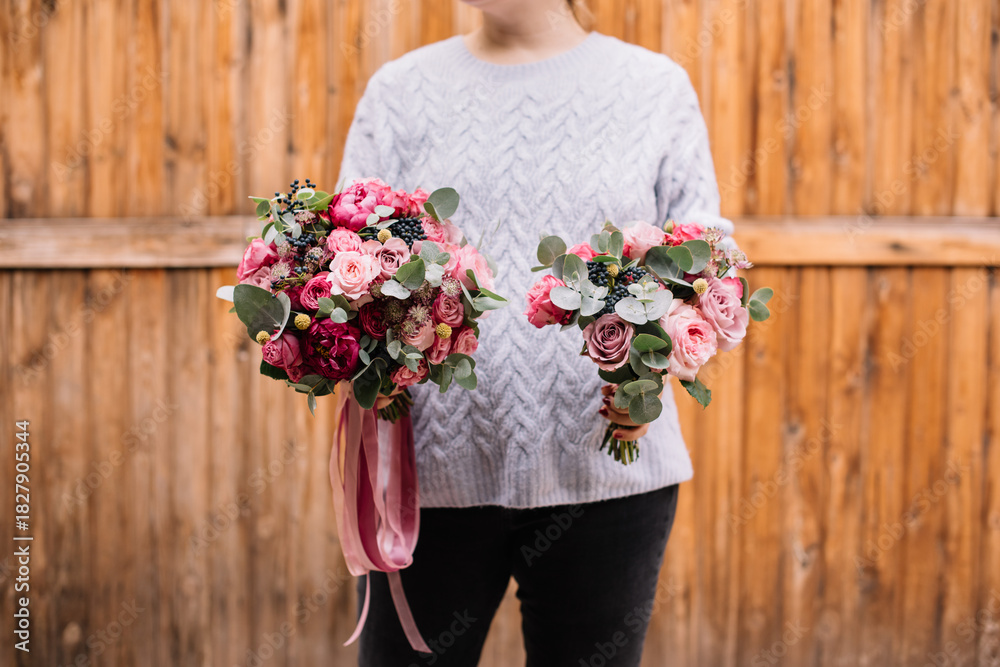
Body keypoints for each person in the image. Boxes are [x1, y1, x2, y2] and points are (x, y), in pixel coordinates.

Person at [336, 1, 734, 664]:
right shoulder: (401, 92)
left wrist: (656, 373)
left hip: (607, 485)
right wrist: (357, 352)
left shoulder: (654, 89)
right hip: (427, 485)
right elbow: (348, 266)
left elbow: (706, 262)